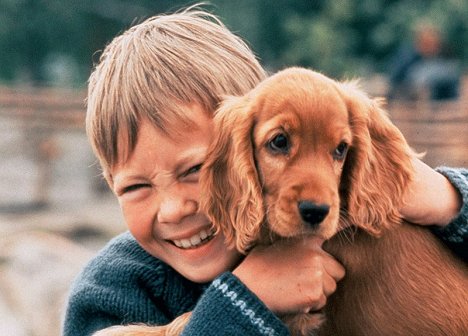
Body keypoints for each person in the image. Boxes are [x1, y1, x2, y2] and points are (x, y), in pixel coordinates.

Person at [62, 7, 468, 336]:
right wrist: (245, 297)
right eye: (134, 186)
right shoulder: (115, 286)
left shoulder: (344, 215)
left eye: (195, 170)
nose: (172, 210)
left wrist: (449, 199)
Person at [388, 22, 461, 101]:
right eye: (425, 42)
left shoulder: (445, 64)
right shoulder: (407, 59)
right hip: (408, 103)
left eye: (431, 42)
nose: (429, 46)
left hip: (439, 106)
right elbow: (394, 81)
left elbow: (452, 94)